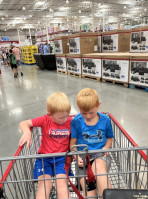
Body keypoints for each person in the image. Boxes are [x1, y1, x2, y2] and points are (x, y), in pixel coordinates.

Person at [19, 92, 72, 199]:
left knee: (61, 184)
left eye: (67, 115)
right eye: (61, 117)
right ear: (49, 114)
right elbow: (24, 123)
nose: (65, 119)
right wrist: (27, 132)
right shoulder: (45, 120)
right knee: (44, 185)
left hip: (62, 159)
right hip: (44, 159)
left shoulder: (71, 121)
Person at [70, 88, 114, 199]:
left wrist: (106, 148)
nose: (88, 116)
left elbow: (109, 138)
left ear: (98, 105)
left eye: (91, 112)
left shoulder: (105, 120)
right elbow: (72, 144)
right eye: (83, 112)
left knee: (98, 167)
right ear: (78, 108)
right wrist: (76, 156)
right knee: (91, 193)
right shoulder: (76, 121)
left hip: (100, 155)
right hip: (83, 159)